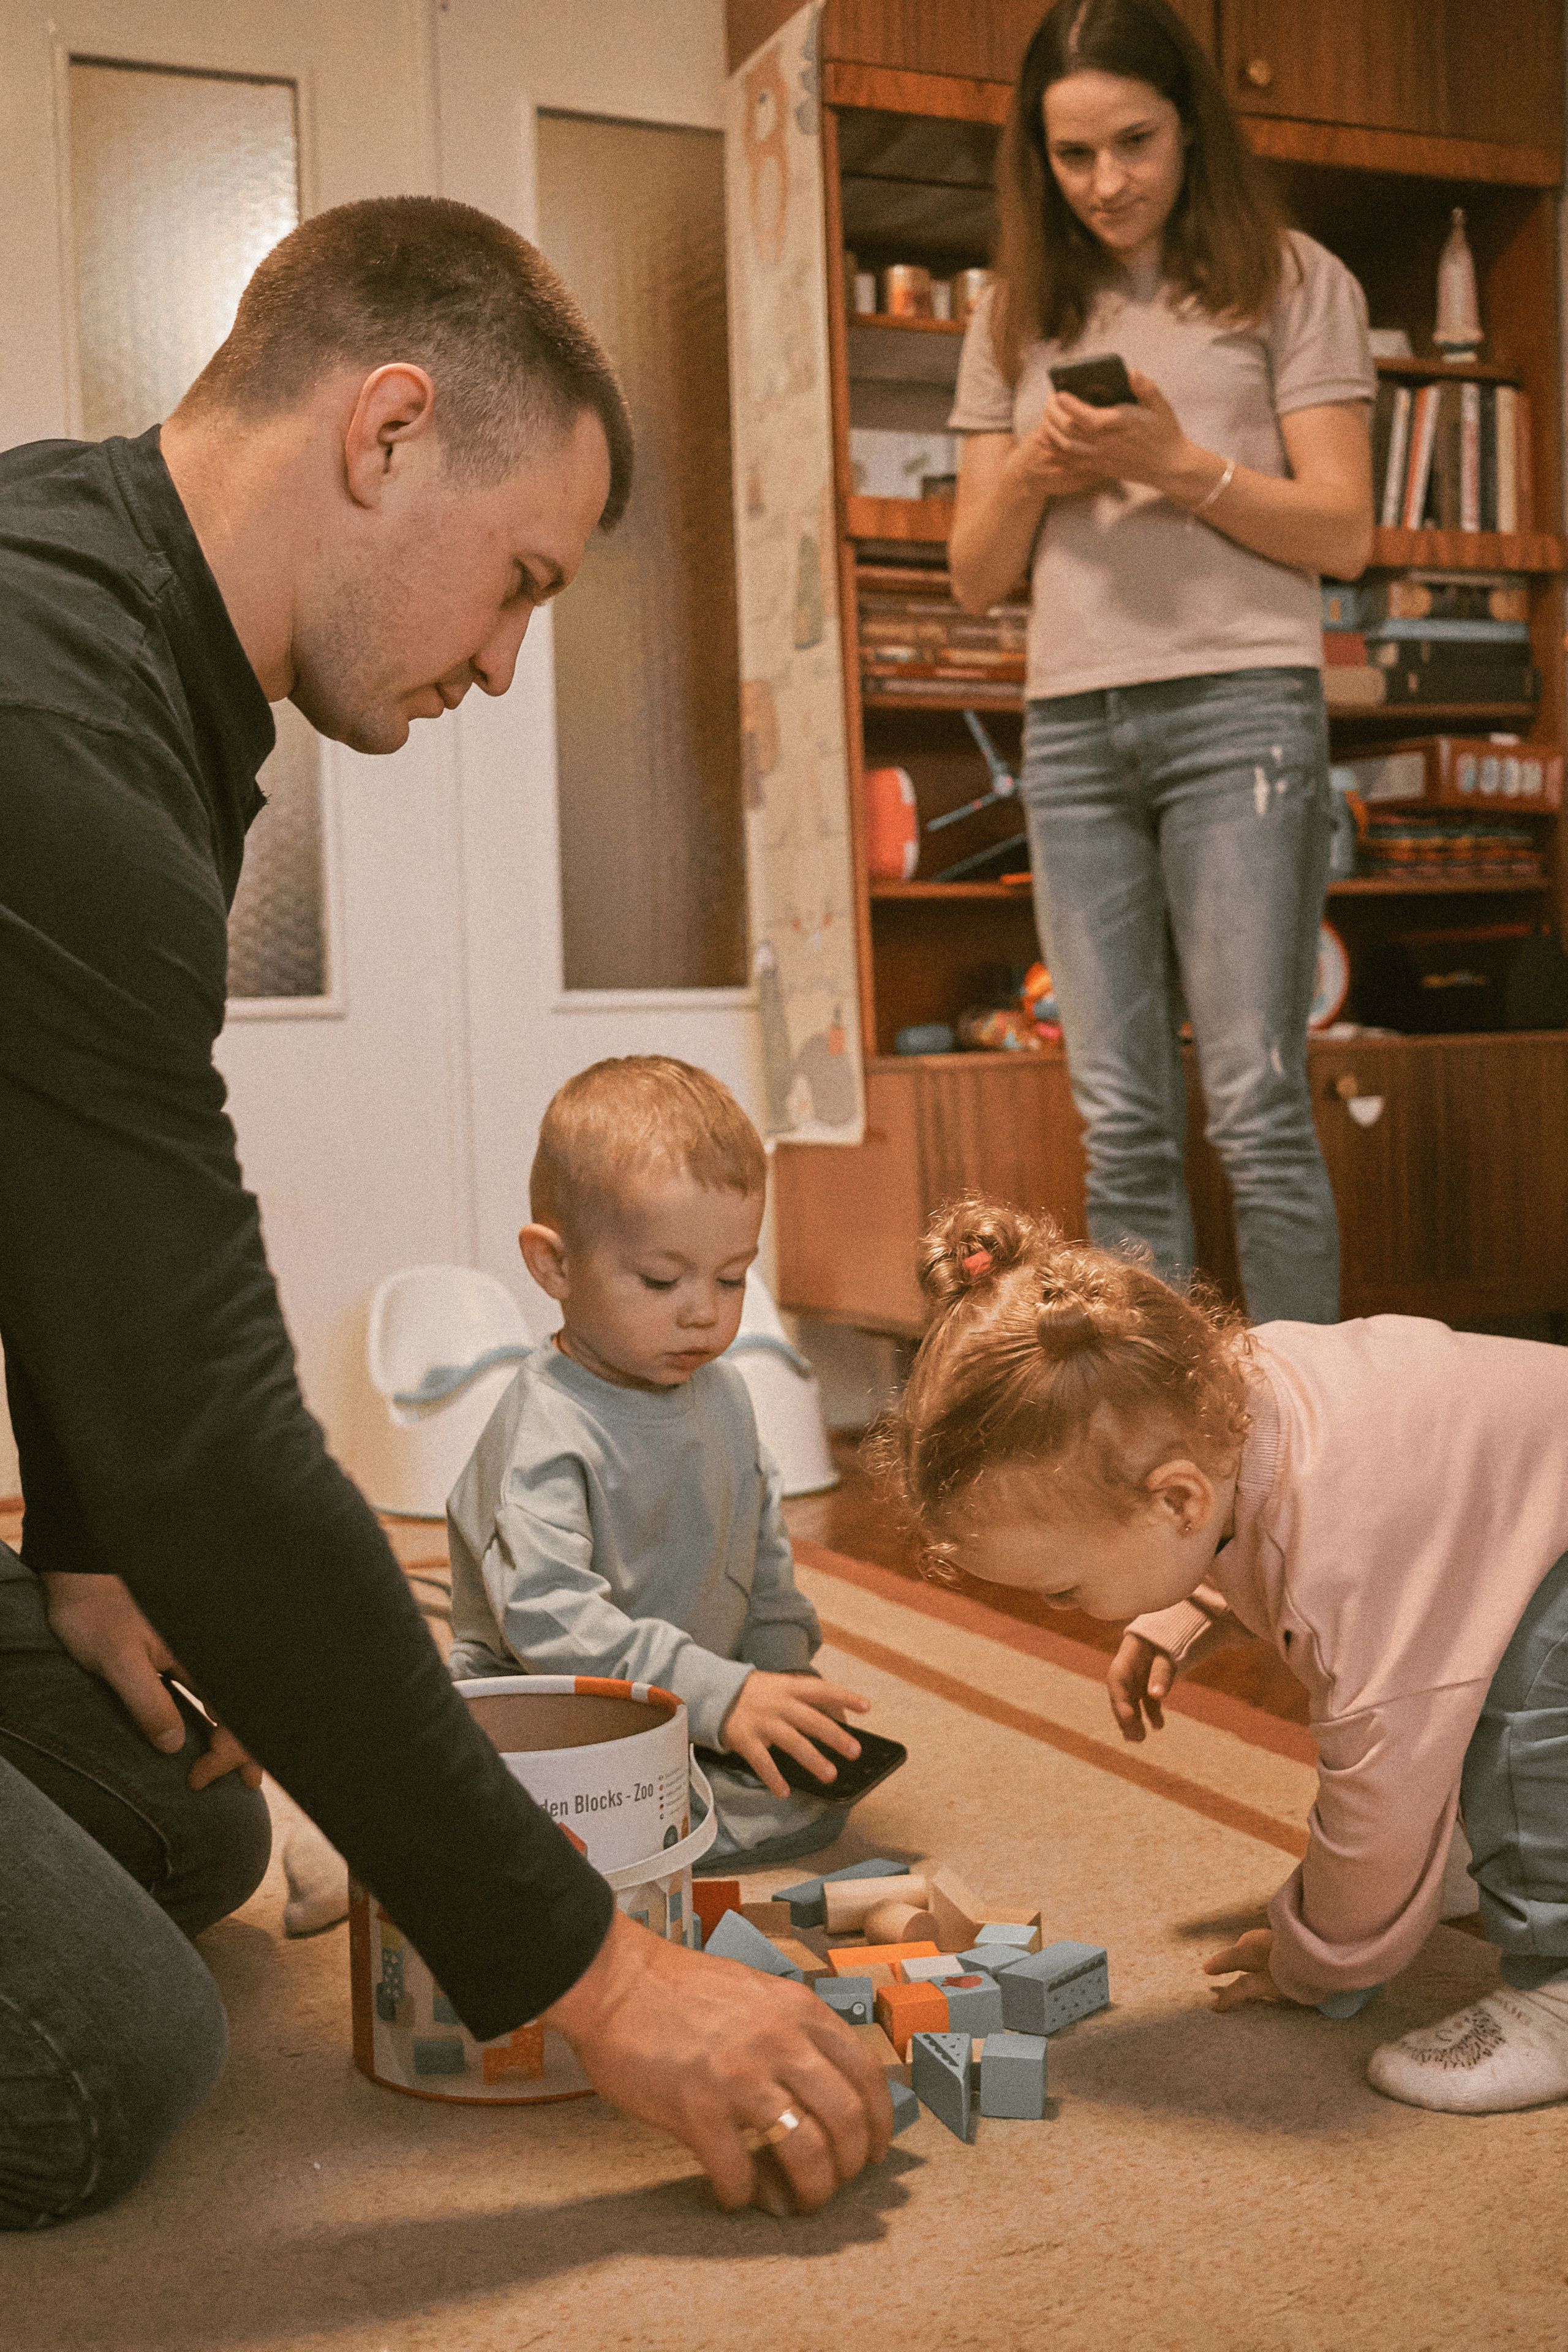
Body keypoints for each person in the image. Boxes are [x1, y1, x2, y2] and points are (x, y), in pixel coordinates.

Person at [0, 194, 888, 2230]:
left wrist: (84, 1545)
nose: (507, 661)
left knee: (193, 1826)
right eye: (519, 585)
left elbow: (53, 1189)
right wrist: (608, 1979)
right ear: (386, 433)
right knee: (103, 2062)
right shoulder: (51, 730)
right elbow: (217, 1445)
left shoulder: (124, 616)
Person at [881, 1196, 1568, 2115]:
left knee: (1525, 1707)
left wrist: (1313, 1957)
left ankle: (1559, 1979)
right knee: (1466, 1665)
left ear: (1174, 1505)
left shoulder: (1344, 1561)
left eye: (1063, 1589)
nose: (1068, 1613)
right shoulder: (1226, 1400)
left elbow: (1378, 1792)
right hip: (1532, 1514)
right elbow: (1244, 1528)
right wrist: (1179, 1617)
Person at [947, 0, 1374, 1325]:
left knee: (1251, 1102)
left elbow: (1343, 530)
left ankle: (1313, 1431)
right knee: (1119, 1121)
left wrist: (1173, 465)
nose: (1106, 184)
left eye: (1132, 142)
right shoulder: (1014, 312)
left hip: (1240, 713)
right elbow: (973, 572)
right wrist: (1036, 461)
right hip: (1070, 730)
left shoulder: (1293, 280)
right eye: (1071, 157)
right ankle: (1150, 1442)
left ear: (1189, 120)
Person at [448, 1055, 871, 1868]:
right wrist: (724, 1696)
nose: (704, 1312)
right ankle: (360, 1851)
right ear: (555, 1266)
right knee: (513, 1815)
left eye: (732, 1277)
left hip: (684, 1700)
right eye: (660, 1280)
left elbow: (764, 1560)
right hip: (549, 1707)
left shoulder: (728, 1397)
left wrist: (781, 1683)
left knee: (800, 1798)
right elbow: (549, 1620)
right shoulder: (544, 1426)